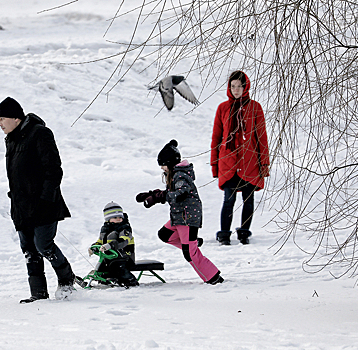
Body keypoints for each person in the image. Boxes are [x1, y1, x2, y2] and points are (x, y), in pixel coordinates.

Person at [0, 97, 75, 303]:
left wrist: (46, 199)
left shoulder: (40, 133)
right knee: (29, 251)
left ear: (15, 118)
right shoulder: (11, 140)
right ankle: (38, 294)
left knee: (44, 245)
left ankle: (67, 280)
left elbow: (54, 170)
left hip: (43, 205)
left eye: (2, 118)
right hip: (21, 207)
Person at [136, 140, 224, 285]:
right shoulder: (177, 175)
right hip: (179, 217)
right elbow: (171, 192)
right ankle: (191, 244)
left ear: (170, 163)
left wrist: (159, 197)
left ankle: (214, 278)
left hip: (187, 218)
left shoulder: (181, 176)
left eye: (163, 165)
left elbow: (180, 193)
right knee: (165, 234)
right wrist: (151, 194)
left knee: (190, 254)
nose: (162, 168)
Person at [210, 71, 270, 245]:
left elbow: (261, 138)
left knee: (248, 199)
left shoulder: (255, 107)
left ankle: (244, 232)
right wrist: (215, 165)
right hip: (228, 163)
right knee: (228, 199)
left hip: (250, 161)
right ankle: (224, 234)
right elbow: (216, 138)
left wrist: (264, 163)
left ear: (246, 87)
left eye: (239, 86)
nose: (236, 90)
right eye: (233, 86)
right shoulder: (223, 108)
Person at [86, 201, 139, 287]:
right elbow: (100, 241)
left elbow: (123, 241)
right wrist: (94, 247)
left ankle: (129, 280)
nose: (118, 219)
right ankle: (104, 280)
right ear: (108, 219)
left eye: (120, 217)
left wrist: (111, 245)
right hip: (110, 256)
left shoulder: (125, 228)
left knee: (117, 267)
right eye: (115, 217)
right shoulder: (105, 229)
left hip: (124, 256)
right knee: (102, 267)